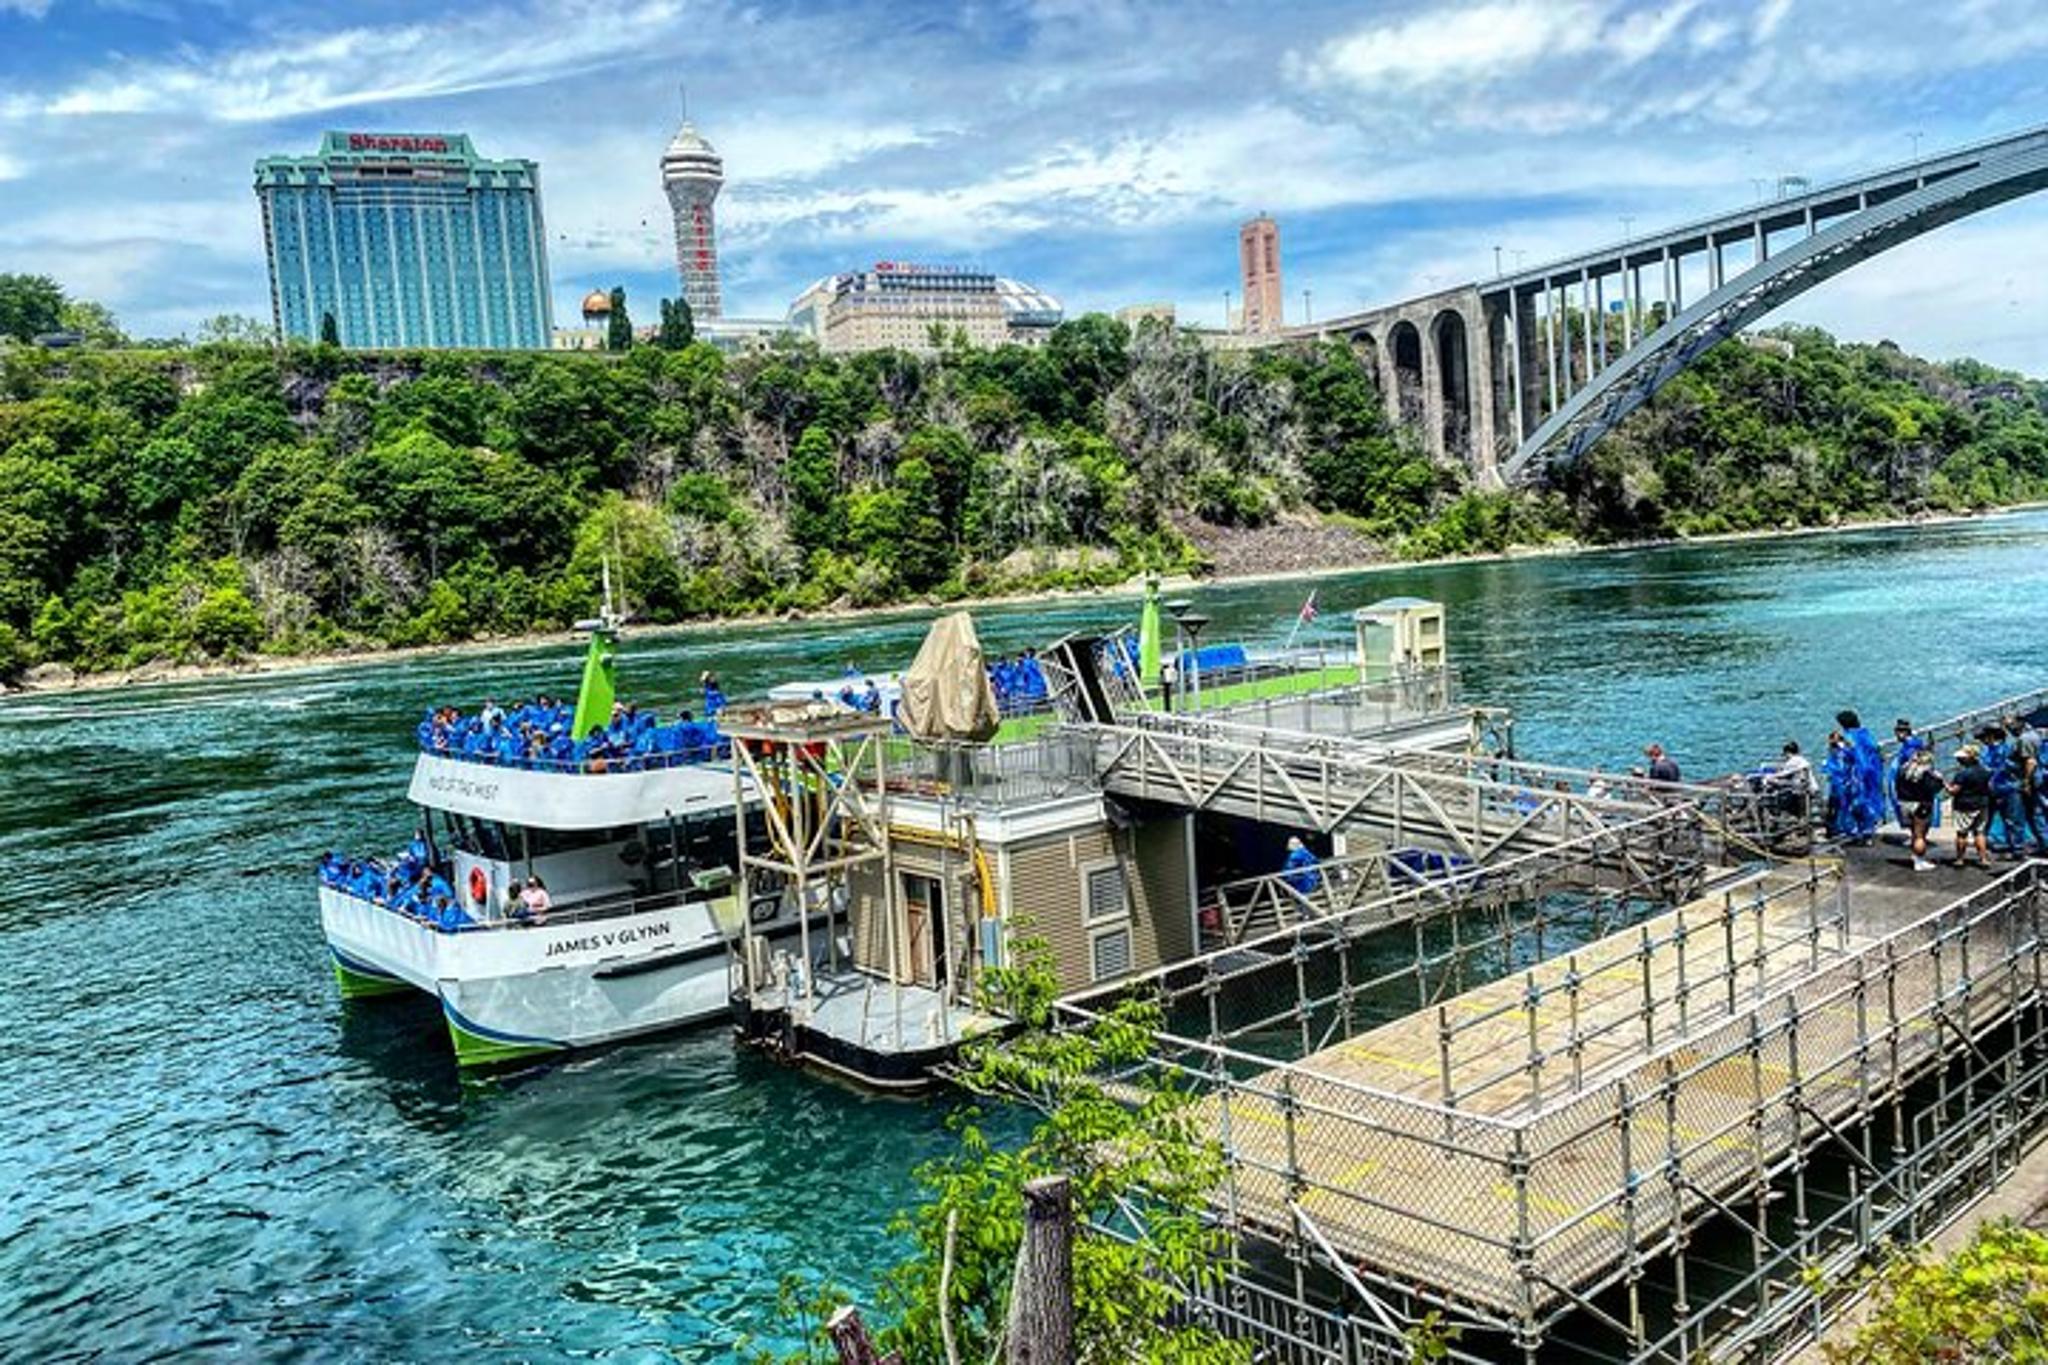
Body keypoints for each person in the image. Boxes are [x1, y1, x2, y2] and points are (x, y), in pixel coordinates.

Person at [1830, 710, 1885, 843]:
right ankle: (1867, 831)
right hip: (1872, 774)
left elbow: (1852, 756)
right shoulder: (1865, 733)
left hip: (1856, 776)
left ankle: (1857, 832)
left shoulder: (1850, 737)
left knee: (1854, 804)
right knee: (1868, 802)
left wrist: (1839, 747)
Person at [1893, 741, 1945, 872]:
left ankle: (1916, 856)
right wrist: (1939, 779)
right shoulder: (1926, 775)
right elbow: (1934, 789)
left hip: (1904, 803)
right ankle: (1919, 861)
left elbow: (1896, 786)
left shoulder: (1902, 771)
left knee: (1913, 833)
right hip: (1921, 805)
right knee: (1920, 835)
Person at [1948, 744, 1994, 869]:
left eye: (1961, 758)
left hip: (1964, 805)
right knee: (1979, 833)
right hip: (1982, 803)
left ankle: (1960, 859)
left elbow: (1954, 791)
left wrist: (1944, 784)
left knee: (1962, 833)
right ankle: (1983, 859)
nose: (1959, 760)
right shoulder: (1986, 771)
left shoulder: (1962, 774)